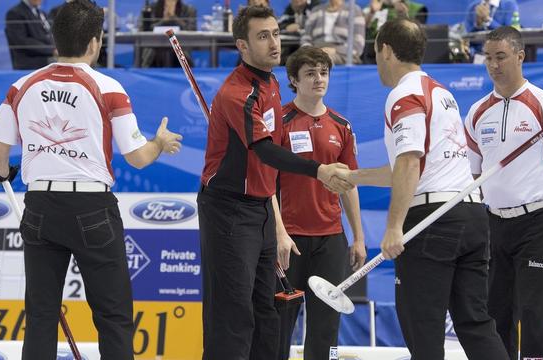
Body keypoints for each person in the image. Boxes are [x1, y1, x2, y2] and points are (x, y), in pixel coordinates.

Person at [0, 1, 183, 359]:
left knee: (41, 315)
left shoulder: (21, 86)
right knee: (113, 316)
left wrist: (1, 173)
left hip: (40, 207)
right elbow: (137, 158)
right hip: (92, 209)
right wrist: (160, 143)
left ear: (55, 39)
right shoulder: (108, 86)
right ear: (95, 42)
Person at [338, 18, 510, 359]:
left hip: (433, 223)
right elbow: (412, 168)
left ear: (385, 50)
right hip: (470, 215)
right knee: (474, 323)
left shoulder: (404, 96)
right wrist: (353, 177)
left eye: (375, 52)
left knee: (422, 327)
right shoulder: (441, 93)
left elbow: (409, 163)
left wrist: (392, 227)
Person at [198, 6, 352, 360]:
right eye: (262, 36)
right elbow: (266, 152)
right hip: (229, 212)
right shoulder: (237, 93)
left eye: (276, 34)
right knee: (233, 316)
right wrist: (318, 170)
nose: (273, 43)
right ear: (242, 44)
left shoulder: (270, 83)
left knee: (267, 313)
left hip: (260, 210)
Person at [464, 26, 543, 360]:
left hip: (537, 223)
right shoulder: (476, 112)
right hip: (493, 224)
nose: (493, 65)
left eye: (501, 56)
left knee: (534, 312)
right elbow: (473, 175)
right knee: (495, 311)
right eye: (488, 57)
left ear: (520, 56)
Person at [275, 46, 366, 360]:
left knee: (326, 326)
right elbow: (266, 186)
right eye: (310, 74)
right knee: (278, 323)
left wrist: (358, 238)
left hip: (330, 240)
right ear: (293, 80)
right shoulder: (281, 123)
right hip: (289, 240)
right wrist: (278, 234)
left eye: (323, 72)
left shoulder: (341, 125)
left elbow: (349, 185)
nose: (318, 79)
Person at [301, 0, 366, 64]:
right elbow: (306, 38)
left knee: (324, 59)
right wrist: (312, 52)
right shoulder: (316, 10)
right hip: (315, 51)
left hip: (344, 54)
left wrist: (336, 50)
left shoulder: (354, 10)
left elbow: (358, 43)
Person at [362, 0, 428, 64]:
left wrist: (402, 15)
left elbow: (417, 37)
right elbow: (360, 30)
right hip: (371, 54)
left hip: (400, 56)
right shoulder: (370, 8)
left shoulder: (416, 8)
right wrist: (372, 12)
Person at [140, 0, 197, 67]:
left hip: (180, 49)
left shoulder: (189, 10)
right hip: (154, 51)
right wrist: (163, 21)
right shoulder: (149, 9)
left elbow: (191, 31)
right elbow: (143, 30)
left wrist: (174, 18)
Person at [5, 0, 56, 70]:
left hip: (47, 56)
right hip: (30, 61)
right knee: (62, 62)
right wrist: (52, 50)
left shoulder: (41, 13)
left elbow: (49, 35)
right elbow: (22, 41)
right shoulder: (15, 13)